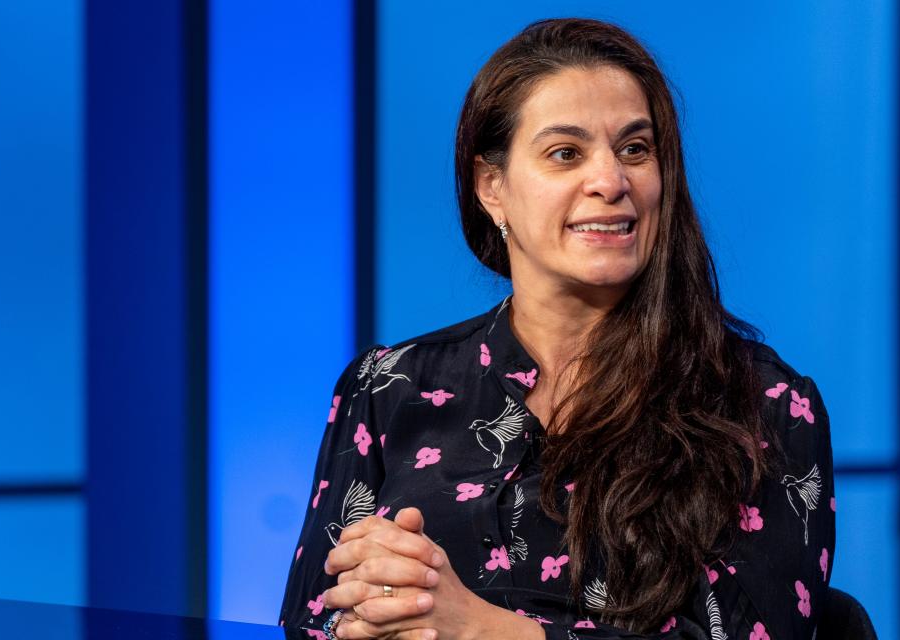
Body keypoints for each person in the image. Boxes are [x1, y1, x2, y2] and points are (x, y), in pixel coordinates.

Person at [278, 17, 834, 640]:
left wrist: (481, 631)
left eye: (635, 149)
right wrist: (378, 603)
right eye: (566, 153)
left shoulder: (767, 405)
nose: (610, 181)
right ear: (493, 188)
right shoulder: (386, 388)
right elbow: (312, 617)